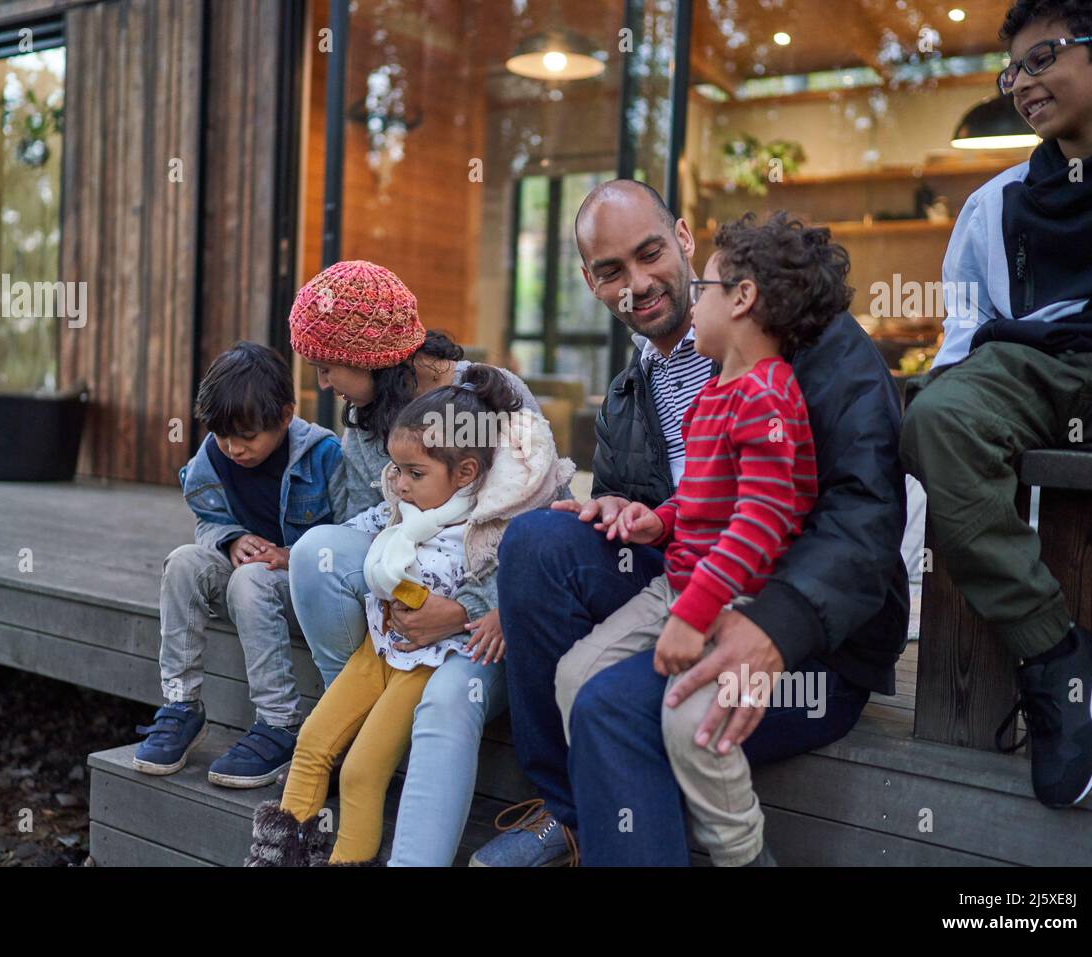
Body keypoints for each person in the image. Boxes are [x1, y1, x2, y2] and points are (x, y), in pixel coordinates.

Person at [473, 179, 908, 867]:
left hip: (807, 632)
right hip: (686, 589)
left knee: (613, 705)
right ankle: (576, 814)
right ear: (591, 282)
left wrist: (777, 625)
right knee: (536, 542)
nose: (639, 283)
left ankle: (638, 810)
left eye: (650, 253)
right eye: (612, 271)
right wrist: (622, 512)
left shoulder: (804, 337)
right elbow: (669, 514)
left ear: (683, 238)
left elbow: (866, 511)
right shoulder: (625, 395)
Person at [554, 212, 850, 867]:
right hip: (681, 584)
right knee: (576, 675)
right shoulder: (715, 391)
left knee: (691, 725)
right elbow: (707, 493)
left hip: (740, 598)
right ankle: (622, 817)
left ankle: (742, 853)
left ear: (742, 299)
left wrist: (691, 615)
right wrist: (661, 519)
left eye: (708, 287)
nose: (695, 299)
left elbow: (760, 521)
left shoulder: (769, 397)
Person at [901, 0, 1092, 808]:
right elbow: (965, 331)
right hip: (1030, 366)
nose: (1023, 84)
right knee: (935, 418)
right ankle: (1053, 651)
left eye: (1043, 59)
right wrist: (951, 399)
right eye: (1013, 70)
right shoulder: (997, 204)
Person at [283, 260, 561, 866]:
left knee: (447, 700)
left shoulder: (494, 399)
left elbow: (539, 527)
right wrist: (396, 595)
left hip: (488, 616)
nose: (324, 382)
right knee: (317, 554)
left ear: (373, 359)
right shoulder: (363, 424)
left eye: (328, 366)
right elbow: (375, 526)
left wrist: (463, 610)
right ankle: (359, 717)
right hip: (409, 607)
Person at [132, 342, 342, 788]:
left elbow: (353, 535)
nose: (234, 449)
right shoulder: (211, 457)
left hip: (306, 595)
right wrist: (230, 539)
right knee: (183, 562)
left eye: (248, 437)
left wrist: (291, 556)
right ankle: (182, 704)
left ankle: (280, 721)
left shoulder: (324, 456)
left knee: (251, 580)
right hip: (248, 585)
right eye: (224, 435)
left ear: (285, 416)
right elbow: (207, 520)